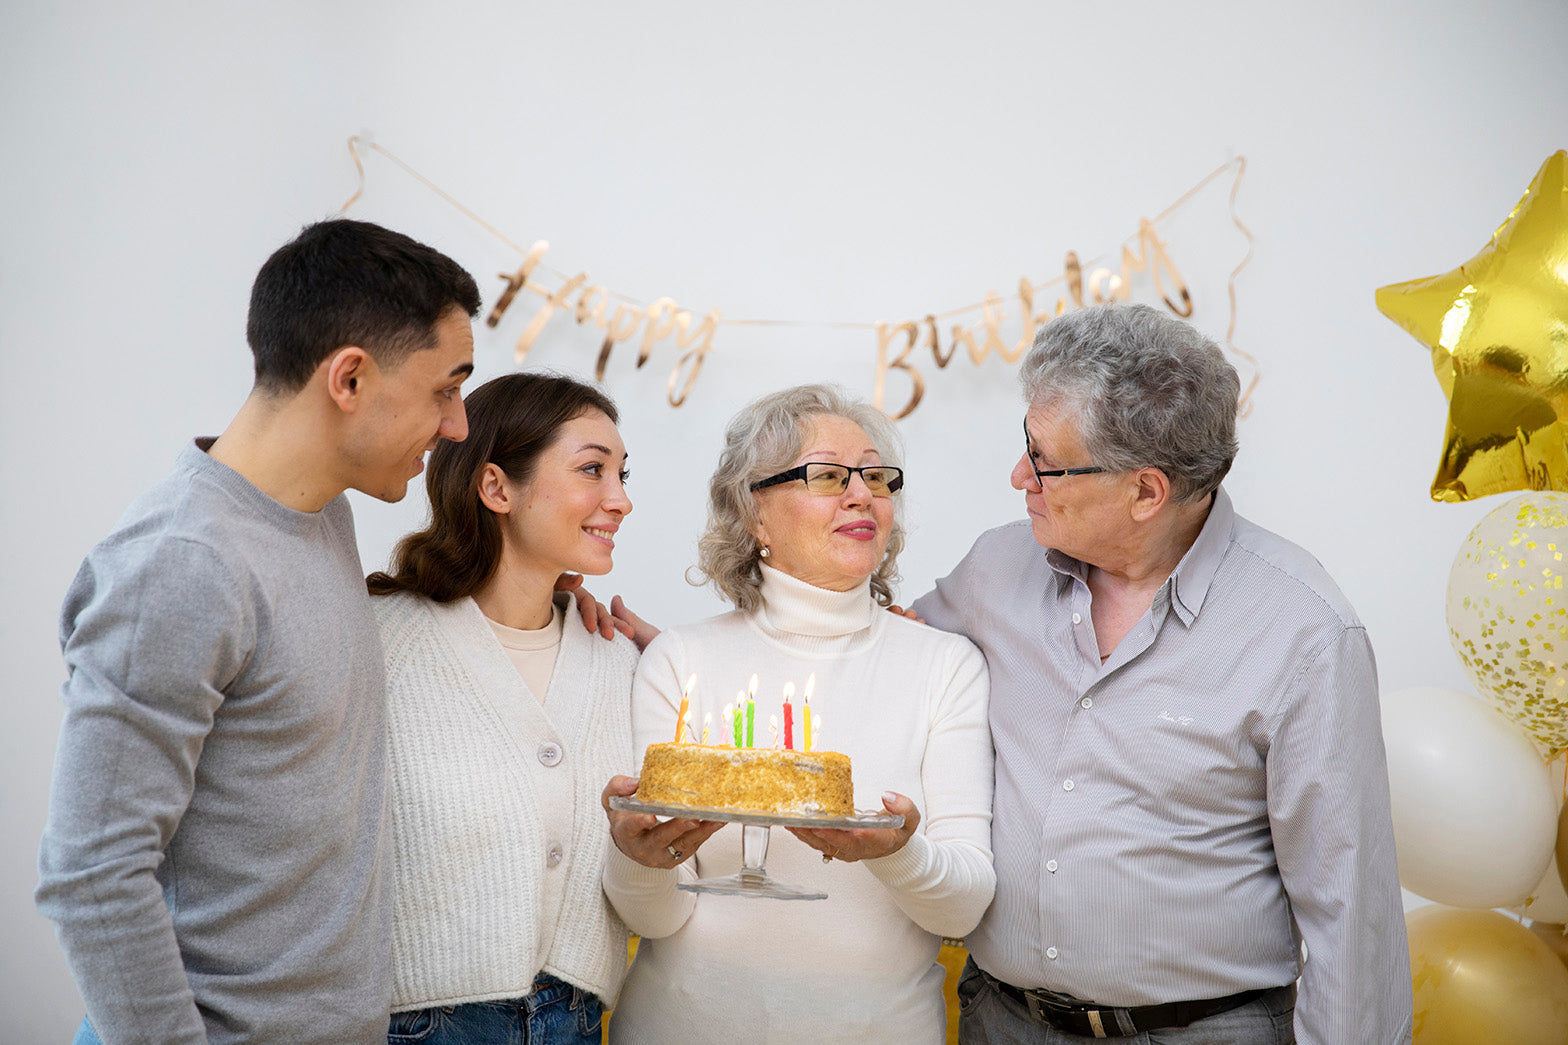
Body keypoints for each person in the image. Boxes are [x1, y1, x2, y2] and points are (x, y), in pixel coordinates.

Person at [911, 303, 1412, 1043]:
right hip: (1002, 1019)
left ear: (1147, 492)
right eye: (1027, 441)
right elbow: (886, 663)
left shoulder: (1304, 631)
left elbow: (1349, 904)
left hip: (1204, 1030)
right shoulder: (995, 567)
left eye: (1045, 461)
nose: (1019, 475)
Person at [36, 219, 480, 1045]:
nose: (456, 425)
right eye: (445, 388)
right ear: (348, 377)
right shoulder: (183, 563)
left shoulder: (323, 515)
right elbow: (91, 871)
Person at [601, 383, 995, 1043]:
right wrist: (636, 856)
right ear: (754, 511)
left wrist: (896, 852)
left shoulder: (945, 666)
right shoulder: (679, 659)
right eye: (827, 475)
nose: (862, 493)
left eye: (875, 475)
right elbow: (657, 919)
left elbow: (964, 904)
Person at [366, 372, 640, 1044]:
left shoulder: (618, 660)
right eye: (592, 470)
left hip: (576, 1021)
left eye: (623, 474)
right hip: (419, 1023)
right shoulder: (378, 638)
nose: (622, 500)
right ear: (496, 487)